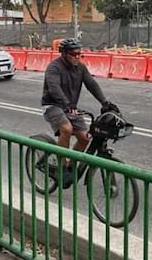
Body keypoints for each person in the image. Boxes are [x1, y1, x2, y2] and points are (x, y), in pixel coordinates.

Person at [41, 38, 118, 187]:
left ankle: (71, 166)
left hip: (70, 107)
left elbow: (91, 84)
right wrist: (67, 104)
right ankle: (62, 166)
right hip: (53, 105)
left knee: (85, 138)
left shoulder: (80, 67)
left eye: (79, 54)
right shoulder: (54, 68)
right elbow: (54, 88)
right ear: (64, 53)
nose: (77, 57)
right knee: (66, 129)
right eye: (73, 54)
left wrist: (105, 102)